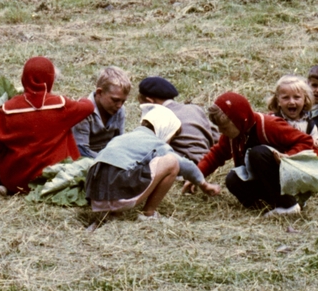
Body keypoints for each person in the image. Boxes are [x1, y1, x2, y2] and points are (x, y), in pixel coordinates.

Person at [0, 56, 94, 194]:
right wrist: (80, 99)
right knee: (65, 131)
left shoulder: (7, 109)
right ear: (50, 80)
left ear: (23, 79)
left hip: (15, 181)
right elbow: (89, 107)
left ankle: (8, 189)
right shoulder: (60, 105)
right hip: (52, 178)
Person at [87, 105, 219, 221]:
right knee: (172, 162)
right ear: (165, 129)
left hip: (95, 194)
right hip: (118, 192)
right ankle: (148, 214)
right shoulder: (157, 143)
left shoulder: (124, 138)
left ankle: (112, 213)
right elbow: (185, 164)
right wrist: (204, 184)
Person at [198, 91, 317, 216]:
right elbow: (217, 154)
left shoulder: (270, 125)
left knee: (258, 153)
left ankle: (289, 204)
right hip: (267, 180)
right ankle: (269, 204)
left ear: (240, 120)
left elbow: (306, 140)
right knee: (232, 179)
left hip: (287, 177)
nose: (221, 131)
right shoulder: (232, 135)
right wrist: (196, 175)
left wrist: (288, 155)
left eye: (225, 127)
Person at [136, 75, 218, 164]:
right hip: (207, 162)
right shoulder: (195, 109)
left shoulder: (157, 117)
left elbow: (149, 151)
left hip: (182, 167)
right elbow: (216, 137)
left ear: (149, 101)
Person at [72, 66, 131, 159]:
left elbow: (119, 143)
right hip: (86, 161)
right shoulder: (83, 111)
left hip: (108, 159)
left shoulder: (120, 110)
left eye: (123, 101)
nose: (119, 105)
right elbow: (81, 150)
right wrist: (109, 160)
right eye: (115, 100)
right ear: (99, 93)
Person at [265, 75, 318, 143]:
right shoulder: (273, 120)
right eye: (286, 98)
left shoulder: (309, 124)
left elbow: (315, 139)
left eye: (296, 97)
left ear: (305, 100)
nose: (292, 102)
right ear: (278, 101)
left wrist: (317, 142)